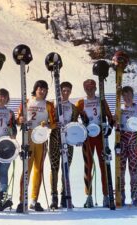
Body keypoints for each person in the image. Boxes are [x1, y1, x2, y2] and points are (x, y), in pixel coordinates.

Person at [16, 80, 56, 212]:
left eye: (44, 89)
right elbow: (18, 119)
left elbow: (54, 123)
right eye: (40, 89)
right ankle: (23, 199)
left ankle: (34, 199)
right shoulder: (26, 101)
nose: (42, 91)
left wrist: (48, 124)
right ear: (35, 89)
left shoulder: (49, 104)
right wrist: (20, 120)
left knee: (38, 169)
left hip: (41, 137)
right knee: (26, 168)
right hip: (28, 136)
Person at [75, 79, 113, 208]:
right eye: (87, 88)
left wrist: (109, 128)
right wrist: (78, 133)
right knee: (88, 166)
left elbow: (110, 117)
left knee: (104, 165)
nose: (90, 91)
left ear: (96, 88)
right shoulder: (81, 102)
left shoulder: (101, 101)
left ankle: (106, 196)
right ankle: (89, 196)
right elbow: (74, 120)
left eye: (92, 88)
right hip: (88, 136)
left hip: (101, 135)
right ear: (84, 89)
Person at [49, 81, 78, 209]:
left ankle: (65, 196)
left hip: (68, 139)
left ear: (70, 92)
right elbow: (48, 121)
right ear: (59, 91)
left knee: (66, 168)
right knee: (54, 167)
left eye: (68, 91)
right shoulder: (53, 105)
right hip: (55, 137)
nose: (65, 93)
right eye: (63, 90)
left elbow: (75, 123)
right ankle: (54, 197)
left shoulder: (74, 107)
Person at [119, 86, 137, 206]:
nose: (127, 97)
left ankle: (135, 195)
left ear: (132, 95)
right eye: (124, 95)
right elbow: (114, 124)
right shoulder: (119, 109)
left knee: (133, 169)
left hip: (134, 140)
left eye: (129, 95)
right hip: (122, 140)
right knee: (121, 169)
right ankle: (121, 195)